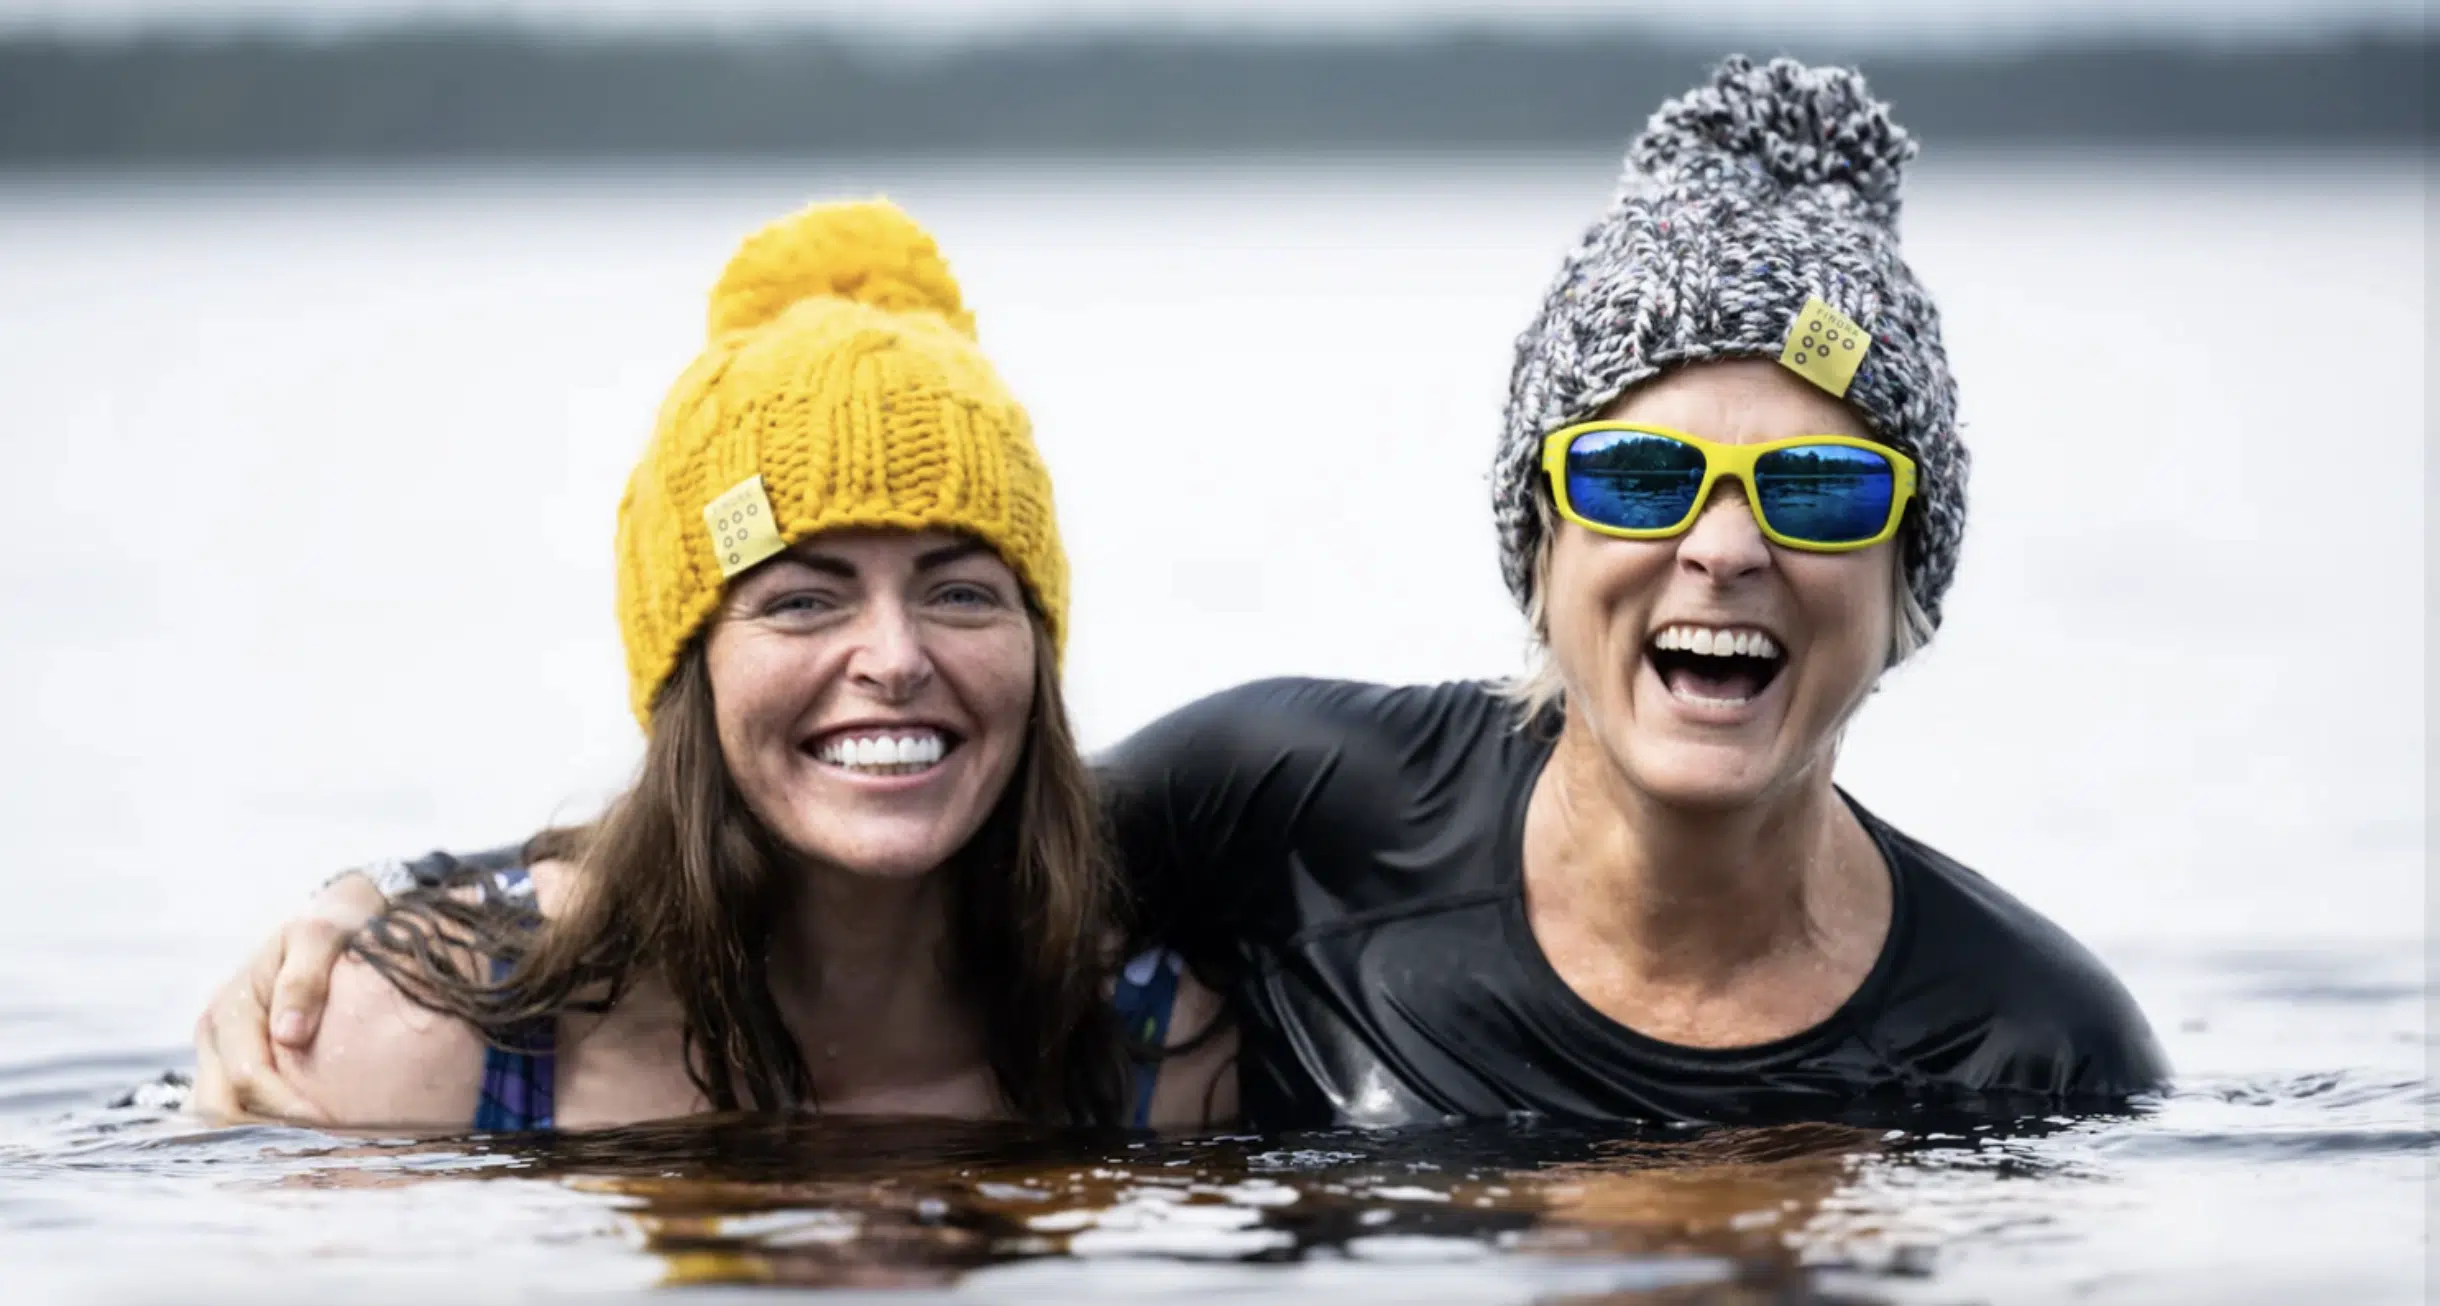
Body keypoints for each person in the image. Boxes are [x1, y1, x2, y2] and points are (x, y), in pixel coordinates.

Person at [195, 57, 2166, 1131]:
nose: (1721, 546)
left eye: (1816, 486)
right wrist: (414, 905)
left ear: (1905, 579)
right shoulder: (1289, 807)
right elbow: (881, 840)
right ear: (1538, 545)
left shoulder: (2039, 1042)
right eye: (1641, 473)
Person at [217, 196, 1236, 1131]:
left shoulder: (1161, 1049)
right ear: (687, 670)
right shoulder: (411, 1040)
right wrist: (379, 889)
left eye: (960, 592)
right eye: (801, 600)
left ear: (1037, 650)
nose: (893, 657)